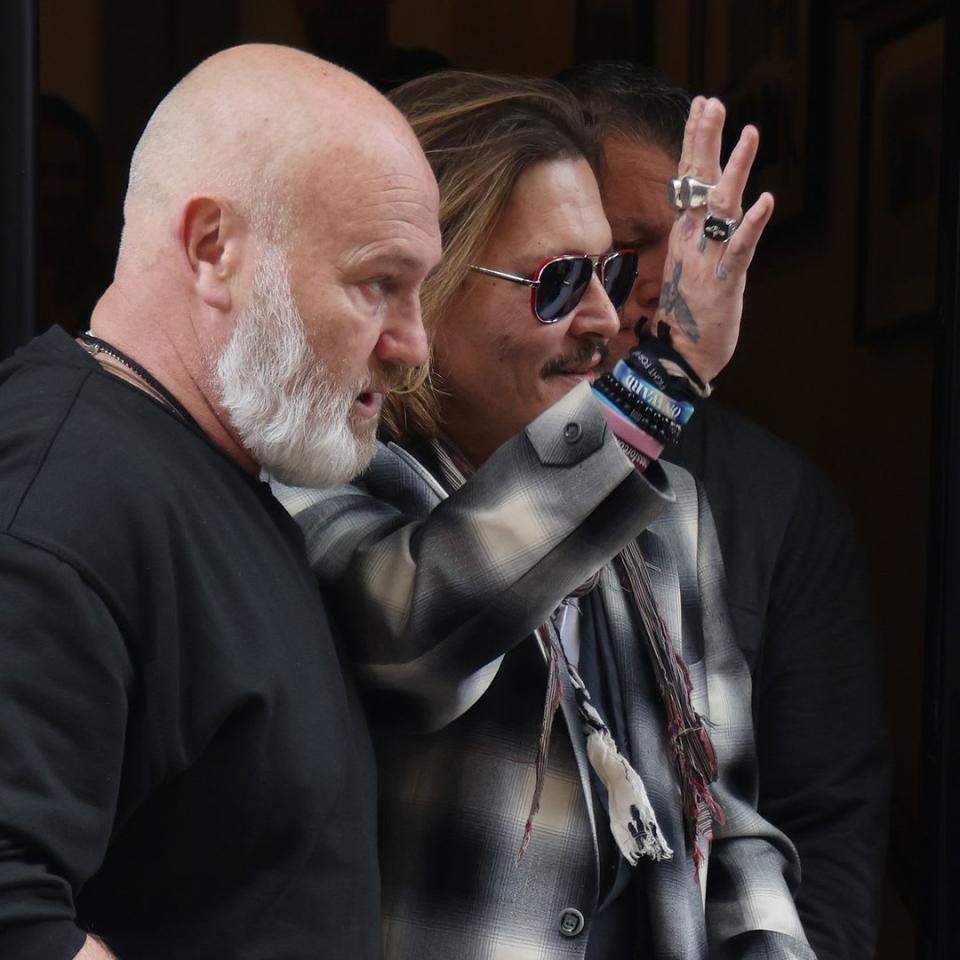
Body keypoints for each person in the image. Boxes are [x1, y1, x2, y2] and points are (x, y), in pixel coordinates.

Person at [276, 72, 815, 959]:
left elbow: (729, 828)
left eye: (609, 271)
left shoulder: (668, 514)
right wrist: (665, 377)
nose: (606, 317)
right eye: (558, 281)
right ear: (426, 286)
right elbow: (414, 624)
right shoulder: (323, 474)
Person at [0, 44, 440, 960]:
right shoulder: (60, 494)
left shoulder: (204, 467)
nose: (412, 345)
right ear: (212, 251)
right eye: (377, 284)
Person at [557, 60, 891, 960]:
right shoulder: (433, 468)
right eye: (627, 251)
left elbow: (812, 829)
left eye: (700, 262)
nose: (666, 305)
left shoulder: (770, 502)